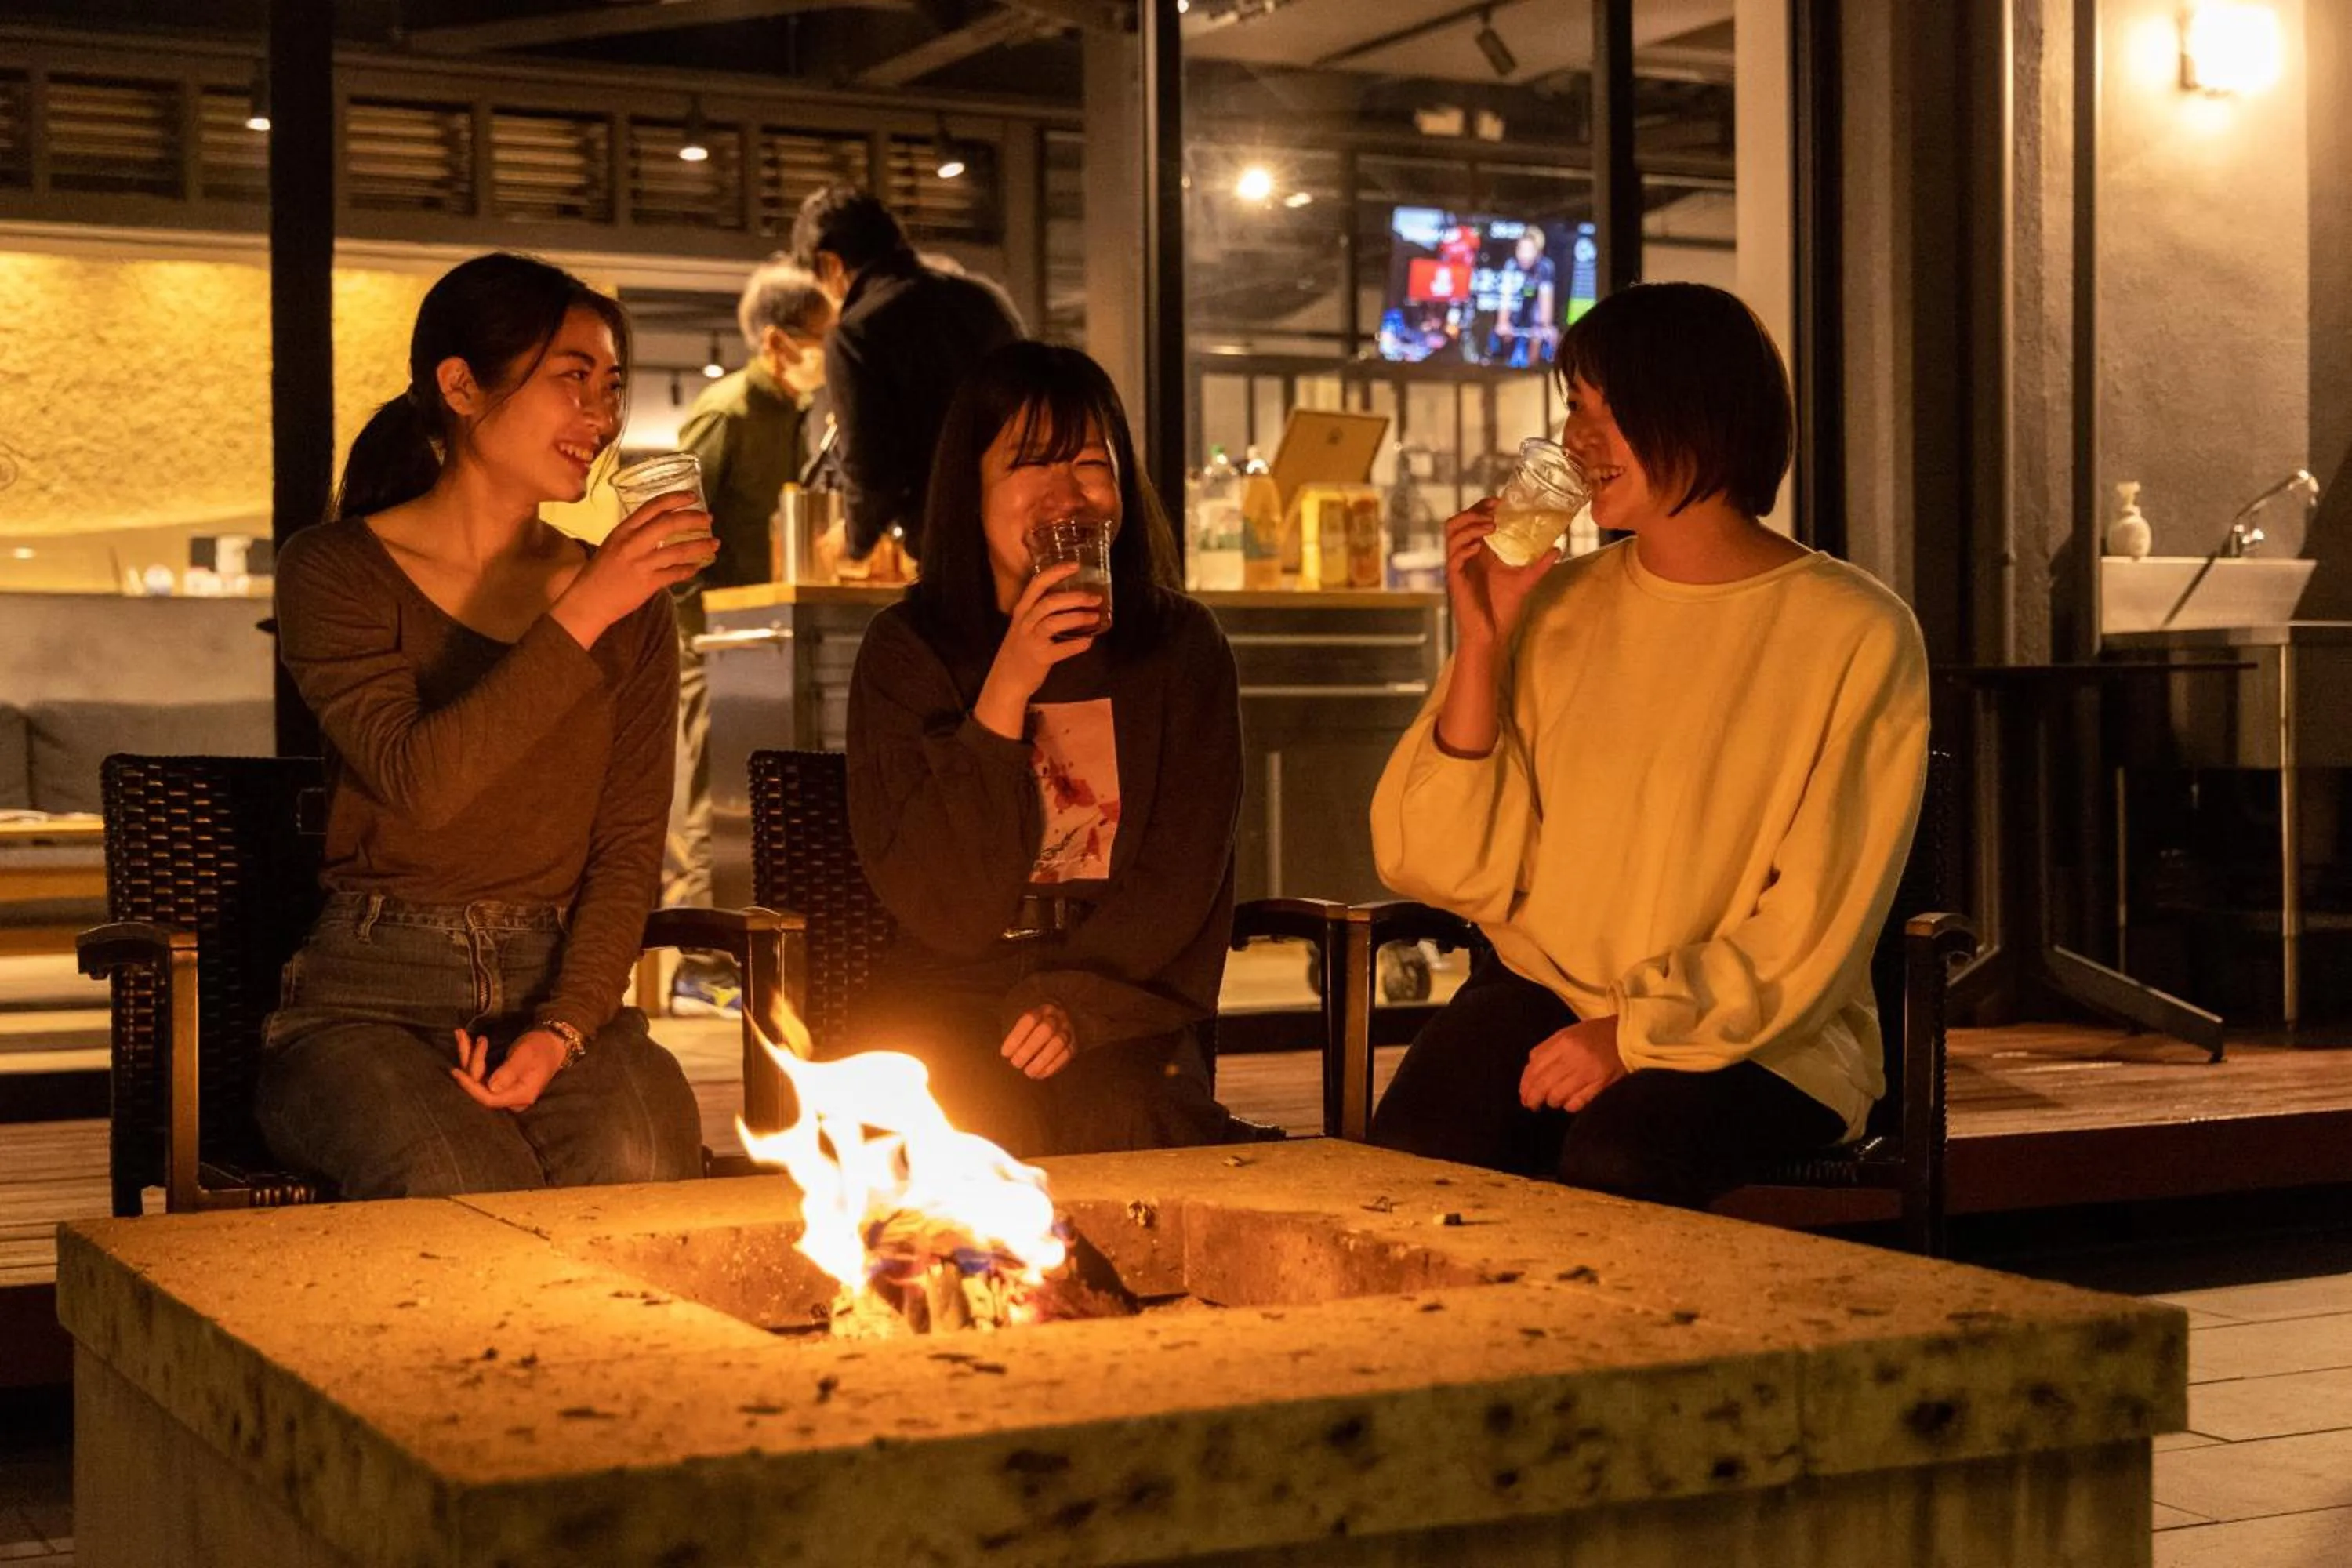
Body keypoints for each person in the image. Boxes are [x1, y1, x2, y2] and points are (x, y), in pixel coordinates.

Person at [1368, 281, 1929, 1211]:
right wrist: (1481, 641)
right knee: (1418, 1161)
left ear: (1698, 414)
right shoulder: (1554, 599)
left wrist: (1633, 1032)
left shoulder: (1854, 631)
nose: (1573, 442)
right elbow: (1441, 864)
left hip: (1766, 1027)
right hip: (1545, 985)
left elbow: (1819, 912)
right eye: (1572, 410)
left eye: (1604, 410)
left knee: (1621, 1158)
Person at [259, 252, 717, 1200]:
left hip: (558, 986)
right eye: (572, 379)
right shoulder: (334, 570)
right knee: (461, 1177)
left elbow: (629, 846)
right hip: (370, 998)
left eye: (612, 388)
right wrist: (587, 606)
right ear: (461, 385)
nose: (600, 417)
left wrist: (566, 1027)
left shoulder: (632, 603)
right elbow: (418, 781)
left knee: (645, 1165)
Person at [841, 340, 1253, 1158]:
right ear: (974, 487)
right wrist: (1010, 684)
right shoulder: (907, 651)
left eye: (1091, 463)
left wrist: (1076, 1004)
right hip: (947, 992)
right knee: (963, 1136)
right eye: (1031, 463)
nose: (1068, 494)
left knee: (1121, 1124)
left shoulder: (1180, 646)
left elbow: (1183, 874)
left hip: (1121, 997)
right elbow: (945, 909)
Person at [662, 260, 836, 1018]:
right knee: (710, 797)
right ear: (776, 339)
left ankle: (751, 951)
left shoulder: (794, 414)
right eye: (821, 338)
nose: (828, 354)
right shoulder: (726, 410)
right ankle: (698, 965)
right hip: (709, 636)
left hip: (762, 632)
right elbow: (673, 520)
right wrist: (699, 620)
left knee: (754, 791)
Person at [790, 183, 1024, 563]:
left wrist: (853, 539)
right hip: (1021, 520)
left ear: (829, 265)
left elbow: (871, 470)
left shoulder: (856, 333)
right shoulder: (984, 299)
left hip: (947, 540)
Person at [1487, 228, 1557, 368]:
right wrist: (1503, 323)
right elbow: (1505, 299)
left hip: (1535, 322)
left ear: (1538, 252)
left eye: (1529, 250)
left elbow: (1546, 302)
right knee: (1498, 337)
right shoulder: (1511, 266)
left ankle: (1533, 376)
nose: (1524, 255)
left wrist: (1544, 326)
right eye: (1521, 249)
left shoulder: (1545, 267)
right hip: (1515, 321)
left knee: (1543, 340)